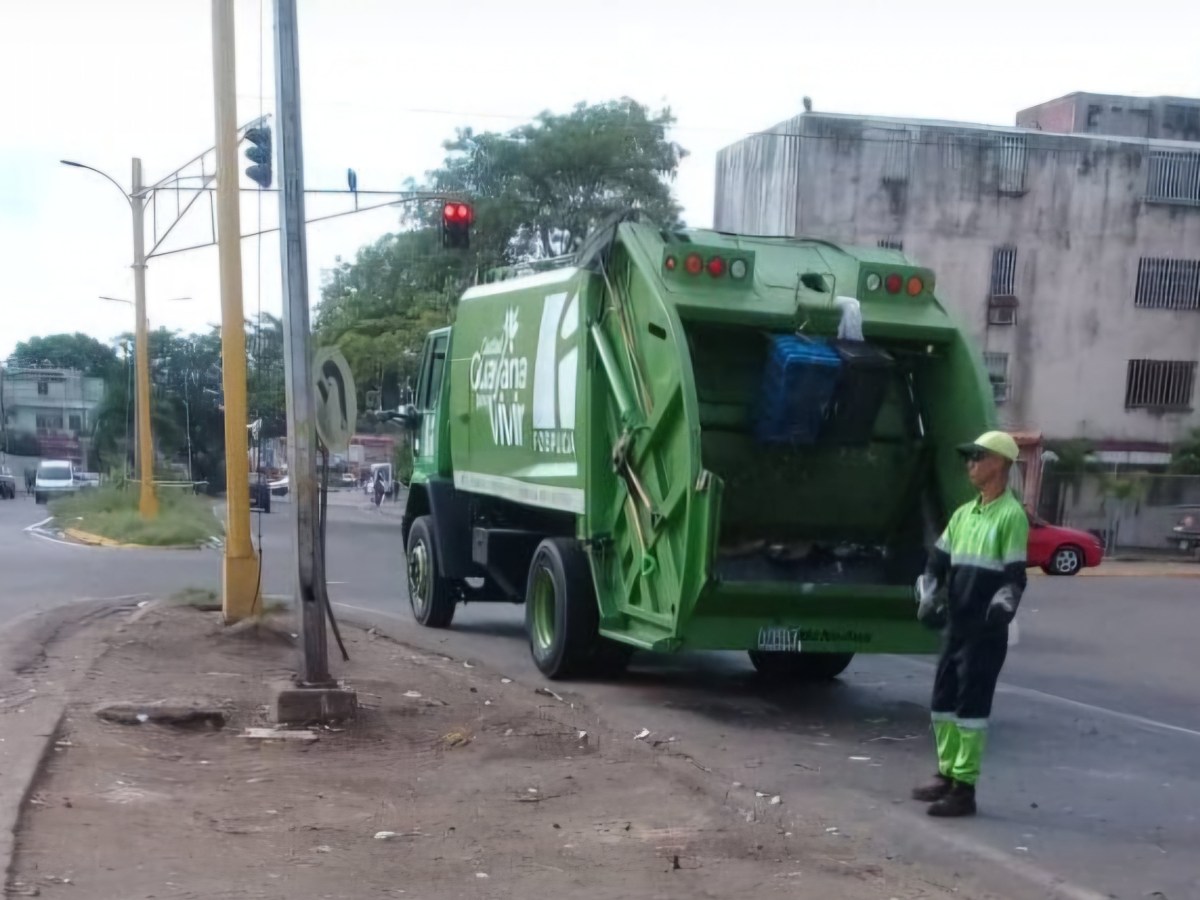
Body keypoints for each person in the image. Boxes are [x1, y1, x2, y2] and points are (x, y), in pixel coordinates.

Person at [912, 430, 1028, 817]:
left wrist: (998, 612)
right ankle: (946, 775)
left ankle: (964, 790)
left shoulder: (1011, 517)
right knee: (942, 703)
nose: (970, 464)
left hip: (983, 635)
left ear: (999, 463)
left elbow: (1014, 579)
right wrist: (929, 594)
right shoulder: (964, 514)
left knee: (970, 710)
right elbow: (937, 562)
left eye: (977, 457)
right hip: (956, 628)